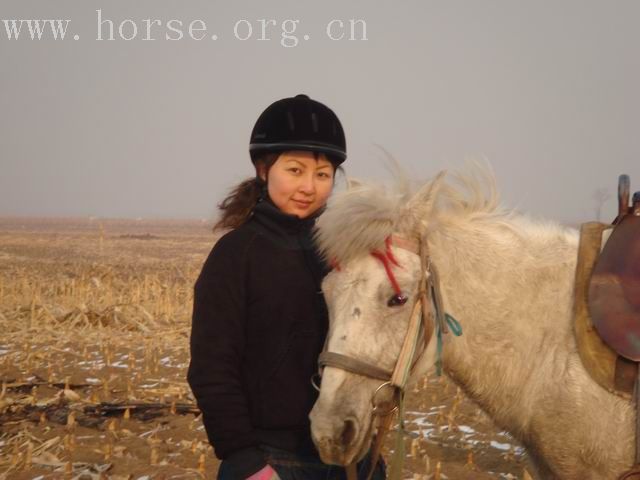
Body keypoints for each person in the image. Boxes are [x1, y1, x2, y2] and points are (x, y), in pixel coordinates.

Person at [186, 94, 387, 480]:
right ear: (264, 169)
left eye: (323, 174)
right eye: (295, 170)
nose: (309, 187)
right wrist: (245, 460)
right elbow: (212, 367)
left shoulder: (348, 253)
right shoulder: (236, 255)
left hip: (351, 458)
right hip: (272, 461)